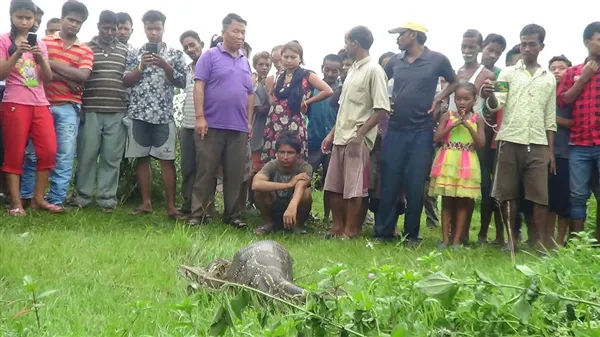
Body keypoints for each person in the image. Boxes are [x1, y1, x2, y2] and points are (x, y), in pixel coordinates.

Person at [375, 22, 457, 245]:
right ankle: (383, 231)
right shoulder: (395, 61)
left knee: (415, 183)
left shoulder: (437, 59)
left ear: (412, 35)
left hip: (421, 130)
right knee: (390, 181)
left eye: (400, 35)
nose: (397, 39)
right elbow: (380, 82)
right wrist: (385, 102)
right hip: (395, 129)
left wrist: (439, 99)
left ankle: (412, 234)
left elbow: (454, 81)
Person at [485, 24, 557, 252]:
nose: (527, 48)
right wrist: (490, 96)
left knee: (539, 197)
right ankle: (511, 240)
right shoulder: (507, 73)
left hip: (537, 143)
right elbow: (497, 104)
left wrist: (551, 152)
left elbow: (550, 118)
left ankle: (539, 243)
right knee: (507, 194)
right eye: (523, 44)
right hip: (509, 139)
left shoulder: (548, 79)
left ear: (541, 46)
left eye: (532, 44)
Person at [20, 0, 94, 210]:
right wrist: (66, 77)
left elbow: (82, 76)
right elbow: (34, 73)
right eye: (70, 20)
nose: (74, 25)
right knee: (33, 153)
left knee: (64, 154)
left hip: (69, 107)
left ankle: (55, 199)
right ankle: (28, 196)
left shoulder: (85, 50)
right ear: (62, 18)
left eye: (78, 22)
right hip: (40, 104)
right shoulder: (42, 42)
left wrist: (48, 62)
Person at [322, 26, 390, 239]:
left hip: (357, 138)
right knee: (334, 186)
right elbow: (344, 108)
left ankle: (351, 230)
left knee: (354, 188)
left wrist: (361, 134)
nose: (345, 47)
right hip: (341, 136)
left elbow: (382, 109)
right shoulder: (352, 70)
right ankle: (337, 227)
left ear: (355, 44)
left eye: (347, 42)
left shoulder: (375, 70)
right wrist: (331, 134)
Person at [188, 13, 253, 228]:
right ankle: (199, 214)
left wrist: (249, 122)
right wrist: (200, 117)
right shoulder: (210, 56)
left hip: (239, 127)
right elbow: (199, 86)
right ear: (224, 32)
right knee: (206, 170)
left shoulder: (245, 62)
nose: (240, 36)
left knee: (234, 174)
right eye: (236, 31)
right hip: (212, 124)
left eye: (243, 32)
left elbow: (250, 94)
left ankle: (232, 215)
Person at [122, 10, 187, 220]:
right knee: (142, 159)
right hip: (139, 113)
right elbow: (126, 80)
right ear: (144, 29)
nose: (153, 33)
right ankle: (146, 203)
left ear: (163, 29)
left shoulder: (175, 54)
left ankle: (171, 206)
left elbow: (182, 82)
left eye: (157, 28)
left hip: (164, 115)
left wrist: (165, 65)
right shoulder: (135, 53)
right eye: (150, 28)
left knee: (167, 159)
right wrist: (141, 66)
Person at [0, 0, 57, 215]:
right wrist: (17, 53)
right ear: (12, 17)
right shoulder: (4, 40)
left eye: (29, 18)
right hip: (15, 102)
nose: (24, 22)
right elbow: (2, 74)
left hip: (40, 103)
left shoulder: (40, 44)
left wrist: (40, 57)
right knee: (15, 153)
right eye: (20, 17)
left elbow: (48, 78)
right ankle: (16, 203)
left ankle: (38, 199)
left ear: (35, 20)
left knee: (49, 151)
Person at [69, 10, 129, 212]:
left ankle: (107, 199)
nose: (110, 32)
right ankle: (83, 197)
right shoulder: (85, 48)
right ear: (98, 26)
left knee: (111, 158)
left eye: (114, 28)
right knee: (86, 155)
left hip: (117, 111)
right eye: (106, 28)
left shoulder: (125, 50)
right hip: (90, 109)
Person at [557, 22, 600, 244]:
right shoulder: (572, 72)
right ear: (587, 42)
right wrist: (583, 79)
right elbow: (563, 100)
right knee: (577, 196)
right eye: (599, 39)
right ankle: (577, 244)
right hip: (579, 144)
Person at [429, 83, 485, 248]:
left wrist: (468, 126)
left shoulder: (477, 119)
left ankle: (457, 239)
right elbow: (436, 138)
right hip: (448, 159)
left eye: (466, 99)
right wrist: (452, 125)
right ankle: (445, 238)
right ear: (454, 99)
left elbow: (481, 142)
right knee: (447, 200)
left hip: (467, 162)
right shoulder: (447, 116)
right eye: (459, 98)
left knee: (462, 202)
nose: (462, 102)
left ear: (474, 101)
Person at [261, 41, 333, 164]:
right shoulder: (278, 77)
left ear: (300, 58)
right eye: (286, 57)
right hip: (274, 124)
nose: (289, 60)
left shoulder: (307, 75)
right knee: (274, 161)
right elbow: (273, 100)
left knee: (292, 159)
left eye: (293, 57)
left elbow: (328, 91)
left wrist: (306, 102)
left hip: (293, 124)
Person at [253, 131, 313, 235]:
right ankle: (268, 223)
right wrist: (288, 184)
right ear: (277, 153)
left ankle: (297, 225)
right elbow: (256, 184)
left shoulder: (304, 167)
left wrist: (292, 206)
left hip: (293, 206)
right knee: (260, 190)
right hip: (274, 203)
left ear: (297, 154)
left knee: (306, 193)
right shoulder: (272, 165)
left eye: (290, 153)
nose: (285, 157)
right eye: (281, 152)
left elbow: (301, 185)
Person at [307, 54, 342, 221]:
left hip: (334, 143)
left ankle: (328, 217)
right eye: (327, 69)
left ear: (340, 71)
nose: (330, 73)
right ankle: (304, 213)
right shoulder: (314, 88)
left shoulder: (343, 89)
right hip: (313, 140)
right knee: (306, 177)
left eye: (334, 71)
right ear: (322, 68)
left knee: (330, 182)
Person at [547, 55, 572, 246]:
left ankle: (561, 240)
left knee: (565, 199)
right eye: (553, 68)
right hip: (546, 153)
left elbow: (577, 123)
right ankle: (546, 241)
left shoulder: (573, 95)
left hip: (567, 153)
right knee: (548, 200)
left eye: (561, 68)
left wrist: (551, 118)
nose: (557, 71)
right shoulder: (546, 93)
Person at [178, 30, 204, 216]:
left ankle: (201, 207)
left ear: (201, 43)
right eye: (186, 47)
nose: (190, 49)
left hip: (204, 124)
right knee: (187, 167)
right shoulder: (187, 68)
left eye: (193, 45)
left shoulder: (210, 64)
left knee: (204, 168)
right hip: (186, 124)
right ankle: (188, 204)